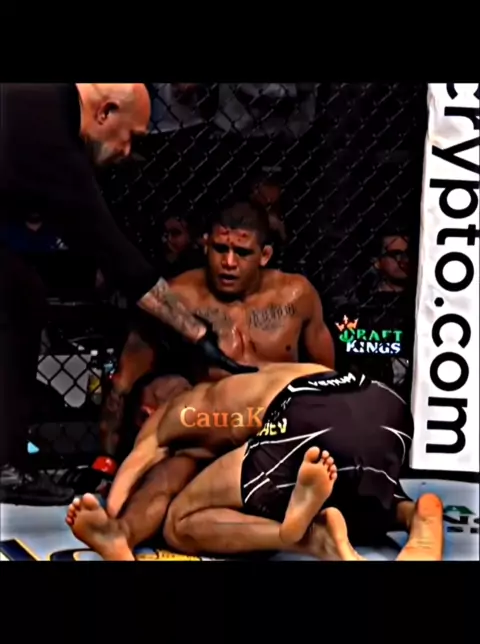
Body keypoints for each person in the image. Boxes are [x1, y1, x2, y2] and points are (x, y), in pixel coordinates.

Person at [0, 83, 254, 505]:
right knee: (18, 292)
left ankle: (6, 461)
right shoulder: (51, 136)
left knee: (19, 292)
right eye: (130, 136)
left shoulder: (39, 106)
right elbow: (117, 257)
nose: (127, 151)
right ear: (105, 112)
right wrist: (197, 334)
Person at [88, 201, 334, 506]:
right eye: (220, 249)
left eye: (242, 253)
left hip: (281, 431)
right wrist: (106, 462)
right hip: (211, 433)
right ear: (205, 245)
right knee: (164, 403)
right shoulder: (178, 297)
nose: (228, 262)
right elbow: (123, 382)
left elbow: (328, 380)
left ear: (265, 255)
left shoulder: (297, 295)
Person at [66, 363, 443, 561]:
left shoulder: (181, 408)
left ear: (146, 411)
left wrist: (114, 522)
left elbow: (138, 461)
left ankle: (311, 539)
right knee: (357, 490)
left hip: (307, 415)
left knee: (180, 523)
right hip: (385, 407)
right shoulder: (265, 375)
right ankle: (415, 515)